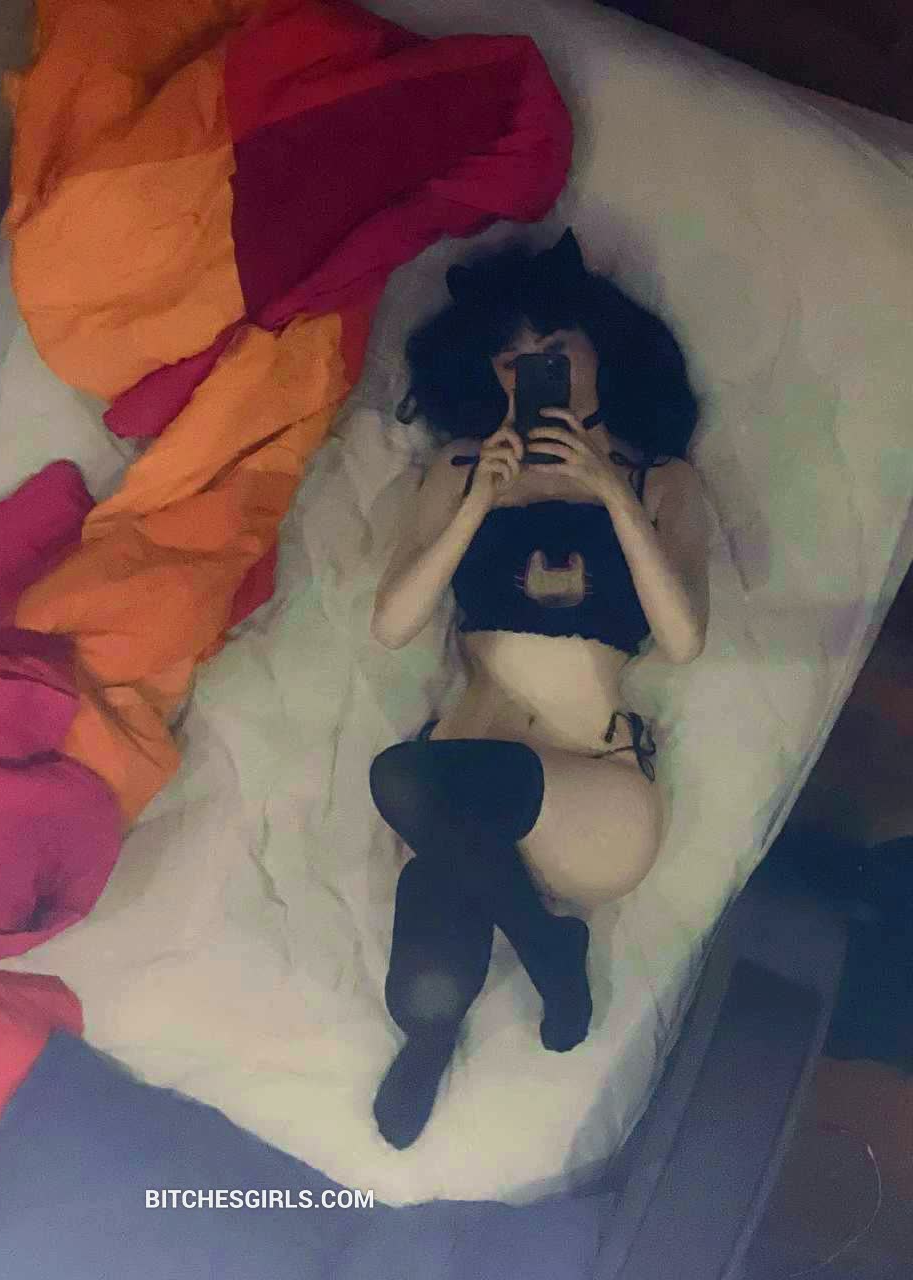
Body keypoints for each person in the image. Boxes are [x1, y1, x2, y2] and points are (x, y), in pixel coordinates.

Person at [368, 228, 710, 1149]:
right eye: (512, 360)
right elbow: (393, 621)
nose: (533, 373)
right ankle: (481, 998)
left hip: (585, 793)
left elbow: (683, 640)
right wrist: (478, 501)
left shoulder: (660, 480)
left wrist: (611, 493)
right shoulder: (459, 468)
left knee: (403, 779)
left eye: (554, 351)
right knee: (422, 980)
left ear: (600, 352)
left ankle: (539, 936)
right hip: (462, 780)